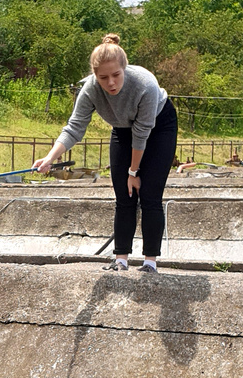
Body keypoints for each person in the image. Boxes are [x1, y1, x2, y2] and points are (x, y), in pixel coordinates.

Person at [33, 36, 178, 273]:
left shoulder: (145, 85)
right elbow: (74, 128)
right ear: (95, 76)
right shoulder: (90, 90)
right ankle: (121, 259)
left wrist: (133, 172)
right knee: (124, 195)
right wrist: (50, 158)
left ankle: (150, 262)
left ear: (125, 69)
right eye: (103, 78)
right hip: (122, 129)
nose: (110, 83)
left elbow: (141, 135)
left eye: (116, 75)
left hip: (159, 127)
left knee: (149, 193)